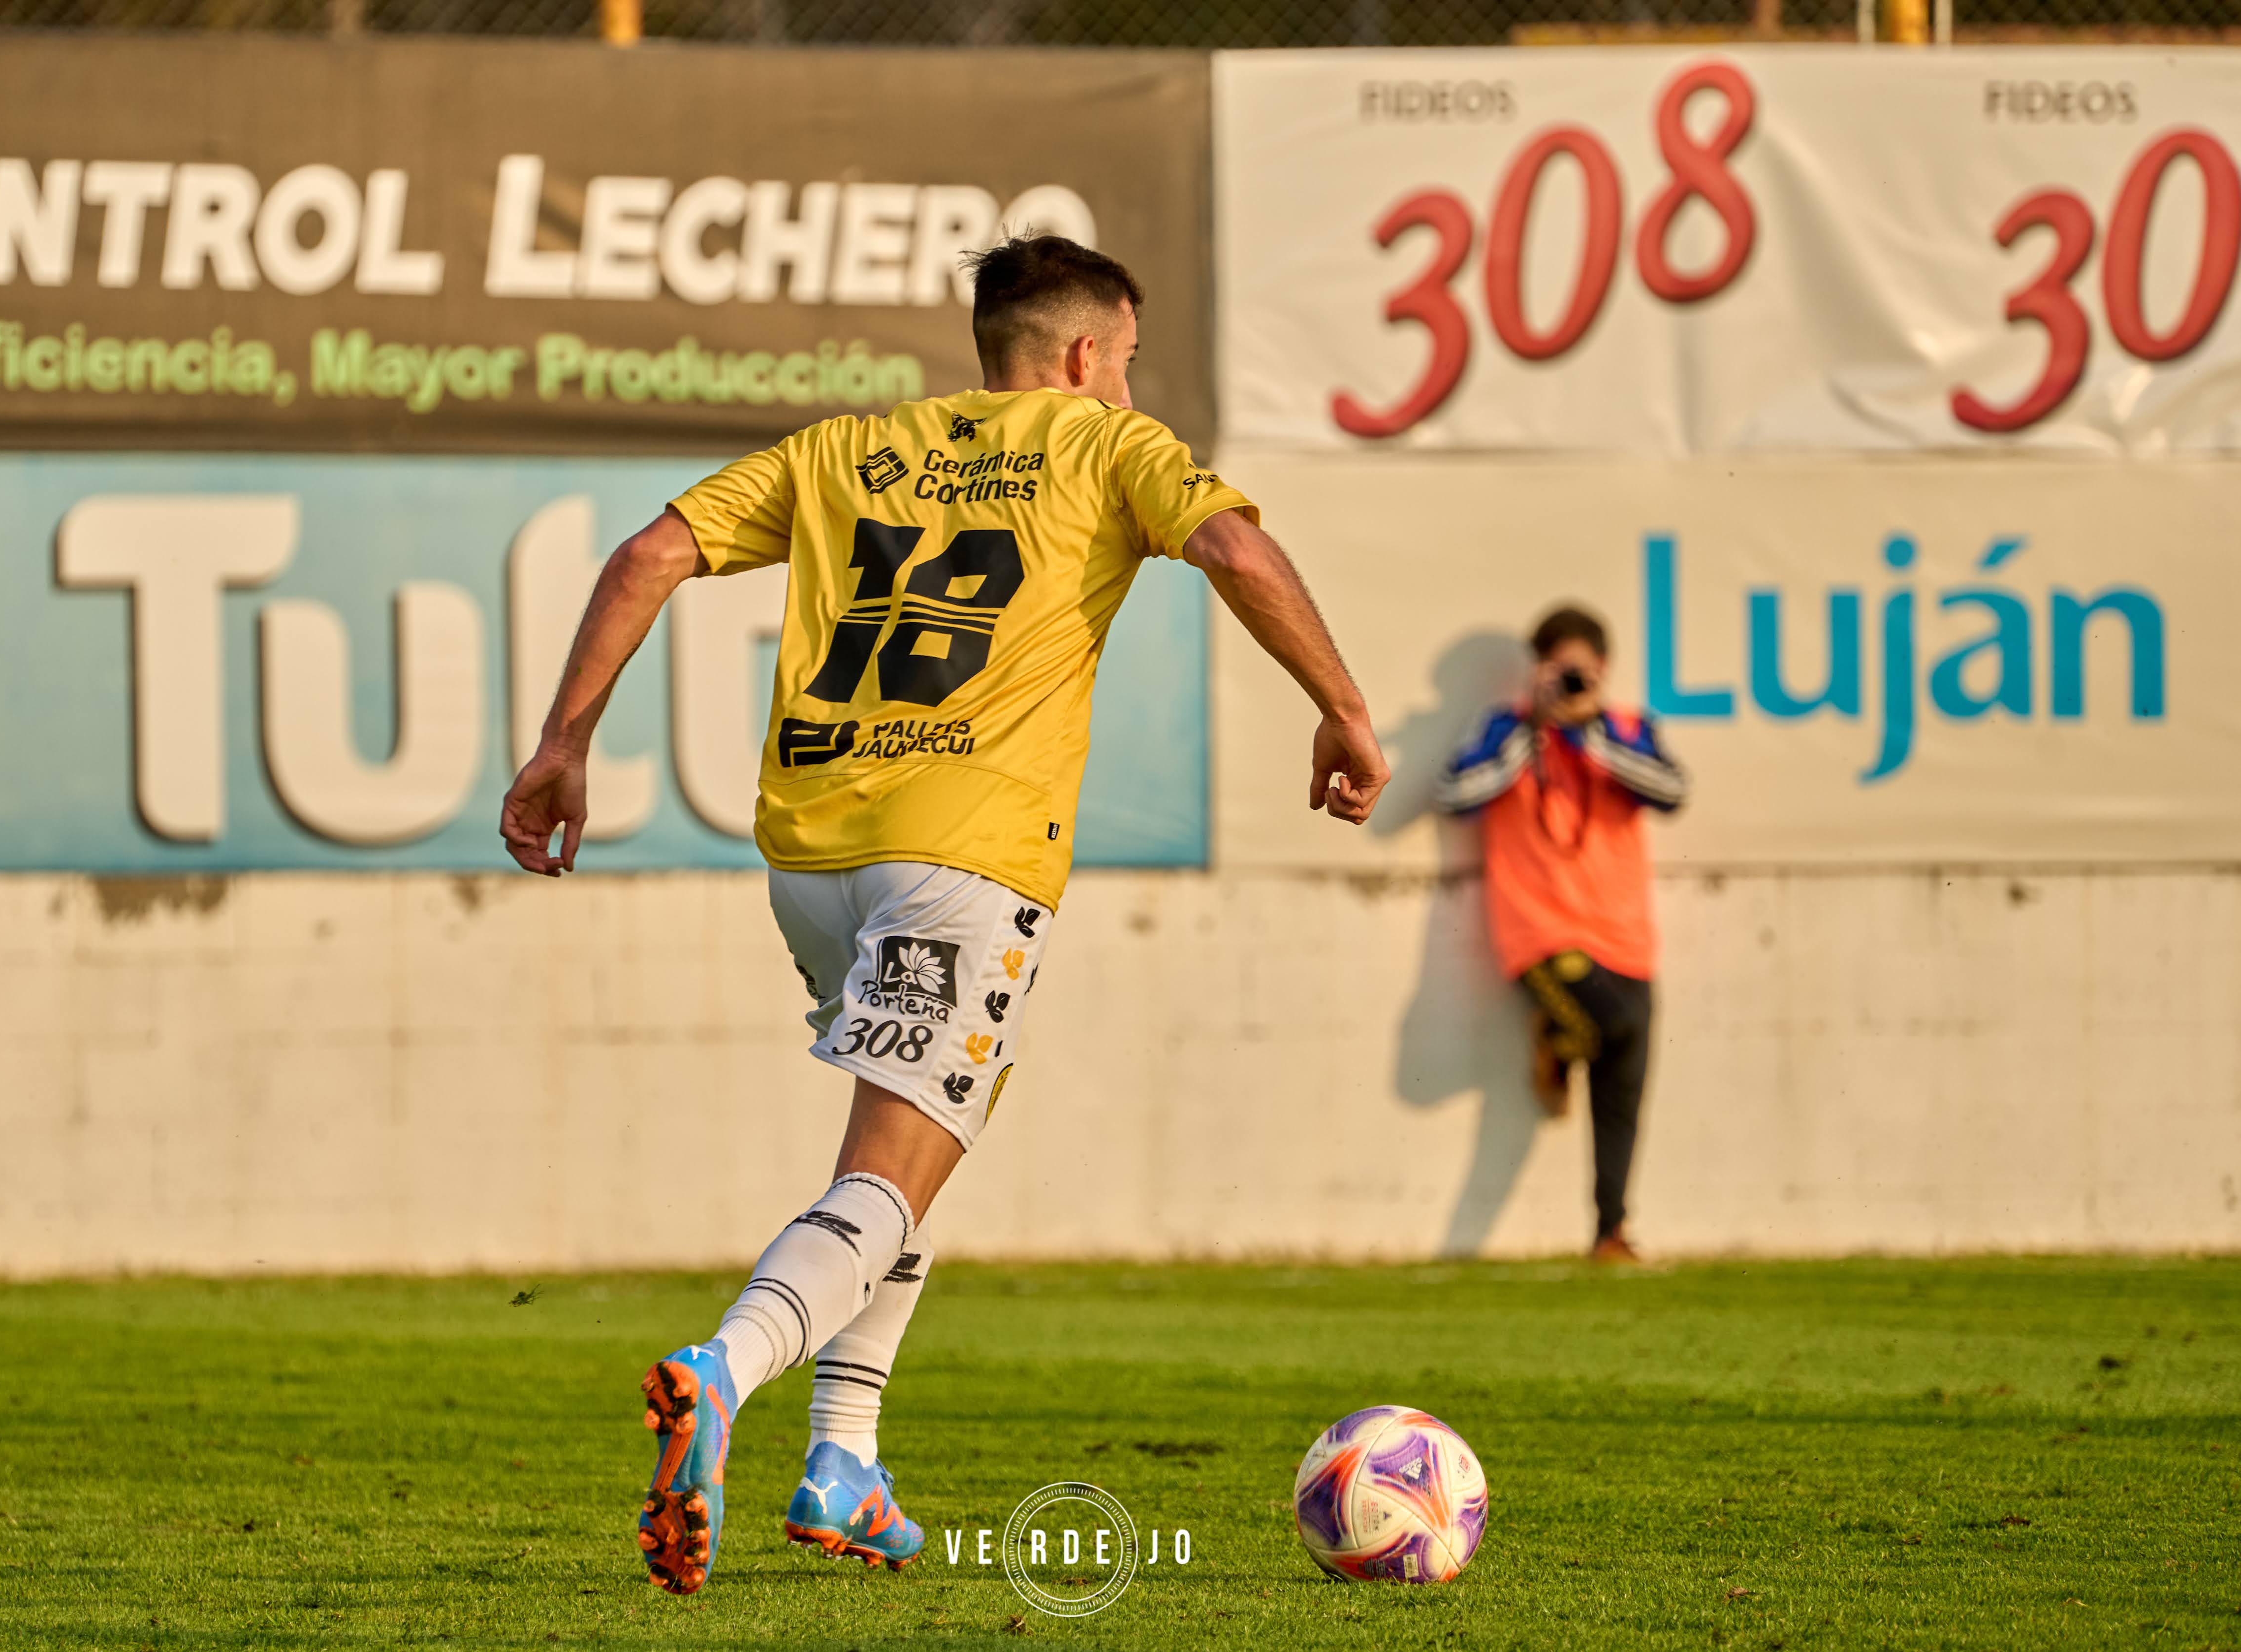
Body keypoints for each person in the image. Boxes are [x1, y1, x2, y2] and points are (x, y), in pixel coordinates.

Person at [500, 234, 1389, 1595]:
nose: (1134, 391)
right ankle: (721, 1371)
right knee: (887, 1171)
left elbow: (648, 551)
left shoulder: (847, 446)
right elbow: (1234, 546)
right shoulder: (1107, 451)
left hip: (810, 856)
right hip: (964, 860)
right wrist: (1341, 704)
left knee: (919, 1149)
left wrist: (564, 742)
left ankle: (845, 1462)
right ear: (1088, 356)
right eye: (1131, 366)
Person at [1434, 605, 1686, 1264]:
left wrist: (1591, 734)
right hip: (1539, 932)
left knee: (1622, 1090)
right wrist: (1539, 731)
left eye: (1580, 672)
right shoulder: (1506, 729)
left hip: (1626, 935)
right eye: (1556, 671)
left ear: (1601, 672)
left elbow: (1672, 792)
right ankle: (1557, 1037)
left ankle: (1610, 1233)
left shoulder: (1628, 730)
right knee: (1612, 1029)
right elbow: (1458, 792)